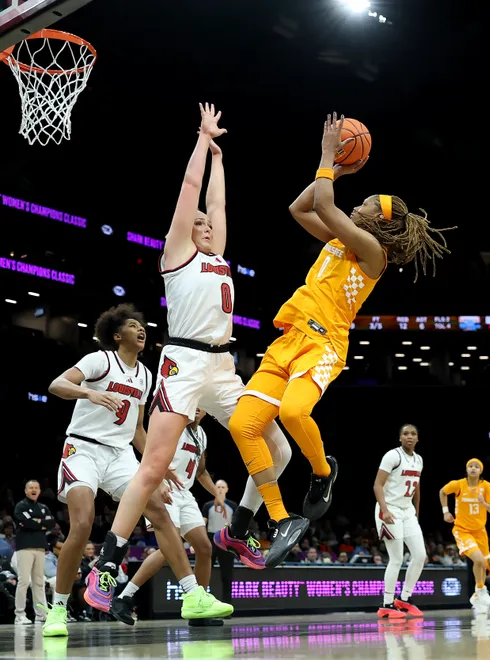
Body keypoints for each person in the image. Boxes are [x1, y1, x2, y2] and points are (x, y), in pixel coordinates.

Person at [84, 102, 294, 608]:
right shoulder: (177, 255)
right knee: (154, 466)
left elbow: (218, 208)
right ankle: (108, 561)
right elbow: (189, 195)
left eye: (206, 223)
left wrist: (221, 158)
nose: (204, 222)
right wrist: (202, 142)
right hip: (183, 362)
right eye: (196, 221)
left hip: (222, 367)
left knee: (278, 449)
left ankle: (238, 525)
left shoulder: (217, 254)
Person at [226, 112, 455, 567]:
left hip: (324, 343)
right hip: (289, 339)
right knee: (242, 426)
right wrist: (339, 169)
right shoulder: (339, 239)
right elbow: (300, 209)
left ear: (380, 222)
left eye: (367, 203)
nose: (358, 204)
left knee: (293, 411)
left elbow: (328, 207)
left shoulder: (374, 253)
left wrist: (329, 157)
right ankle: (280, 517)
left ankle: (322, 471)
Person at [43, 304, 232, 638]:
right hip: (83, 448)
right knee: (83, 522)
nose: (141, 329)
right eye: (133, 325)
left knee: (159, 509)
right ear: (117, 335)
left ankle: (192, 595)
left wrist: (160, 465)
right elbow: (57, 384)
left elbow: (138, 431)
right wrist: (90, 392)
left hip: (120, 454)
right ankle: (58, 609)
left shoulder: (145, 375)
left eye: (143, 325)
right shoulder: (99, 360)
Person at [110, 409, 228, 627]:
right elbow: (152, 456)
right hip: (164, 488)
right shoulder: (172, 425)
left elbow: (201, 471)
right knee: (169, 549)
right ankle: (124, 597)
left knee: (204, 547)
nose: (197, 408)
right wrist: (160, 482)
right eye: (193, 403)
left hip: (185, 493)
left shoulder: (201, 434)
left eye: (201, 405)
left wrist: (217, 495)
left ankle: (199, 609)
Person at [373, 424, 426, 618]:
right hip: (389, 509)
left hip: (407, 511)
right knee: (396, 558)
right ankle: (386, 604)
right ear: (400, 438)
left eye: (413, 434)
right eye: (406, 434)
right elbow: (377, 485)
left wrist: (416, 514)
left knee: (420, 556)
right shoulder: (392, 456)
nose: (409, 437)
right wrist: (385, 510)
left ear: (417, 439)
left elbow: (416, 490)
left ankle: (404, 598)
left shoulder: (419, 459)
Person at [440, 458, 490, 611]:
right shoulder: (458, 484)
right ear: (466, 469)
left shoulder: (486, 486)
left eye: (476, 466)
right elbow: (442, 492)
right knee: (477, 559)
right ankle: (480, 589)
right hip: (462, 530)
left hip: (480, 531)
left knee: (482, 563)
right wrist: (445, 511)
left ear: (481, 471)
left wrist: (483, 502)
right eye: (470, 466)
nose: (473, 468)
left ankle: (477, 595)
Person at [13, 479, 56, 624]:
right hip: (24, 547)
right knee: (24, 581)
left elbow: (51, 523)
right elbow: (25, 522)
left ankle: (41, 614)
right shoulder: (21, 506)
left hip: (40, 547)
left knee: (39, 582)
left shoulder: (43, 507)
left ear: (39, 490)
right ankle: (19, 615)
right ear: (26, 491)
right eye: (31, 487)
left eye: (36, 487)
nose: (33, 490)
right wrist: (40, 523)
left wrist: (36, 522)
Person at [203, 480, 238, 607]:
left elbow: (236, 526)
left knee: (227, 575)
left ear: (227, 489)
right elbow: (203, 525)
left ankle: (227, 604)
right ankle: (204, 603)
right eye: (218, 487)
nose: (220, 489)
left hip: (227, 541)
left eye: (223, 487)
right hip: (211, 540)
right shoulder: (208, 506)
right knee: (206, 573)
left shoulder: (233, 506)